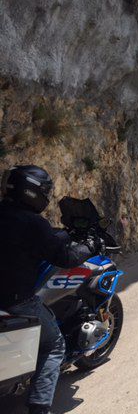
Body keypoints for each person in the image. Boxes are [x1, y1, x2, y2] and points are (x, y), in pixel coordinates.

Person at [0, 165, 98, 414]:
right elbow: (65, 258)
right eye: (45, 191)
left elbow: (36, 240)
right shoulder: (33, 223)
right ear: (33, 193)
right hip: (15, 300)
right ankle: (40, 408)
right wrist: (90, 245)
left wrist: (62, 234)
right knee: (54, 346)